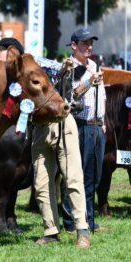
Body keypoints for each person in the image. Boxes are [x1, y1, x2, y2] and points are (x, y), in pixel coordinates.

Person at [0, 37, 90, 248]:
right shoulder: (7, 76)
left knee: (72, 177)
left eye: (1, 54)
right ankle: (50, 231)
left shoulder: (34, 63)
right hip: (38, 127)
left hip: (61, 122)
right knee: (41, 184)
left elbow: (58, 68)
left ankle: (82, 230)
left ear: (13, 53)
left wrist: (64, 66)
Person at [61, 28, 108, 232]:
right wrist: (90, 82)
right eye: (84, 43)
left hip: (96, 126)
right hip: (78, 126)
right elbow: (70, 96)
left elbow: (103, 96)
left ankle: (88, 220)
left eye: (91, 43)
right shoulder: (68, 67)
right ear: (74, 46)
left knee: (93, 176)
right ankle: (71, 223)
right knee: (73, 175)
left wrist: (103, 122)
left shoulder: (94, 65)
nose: (89, 47)